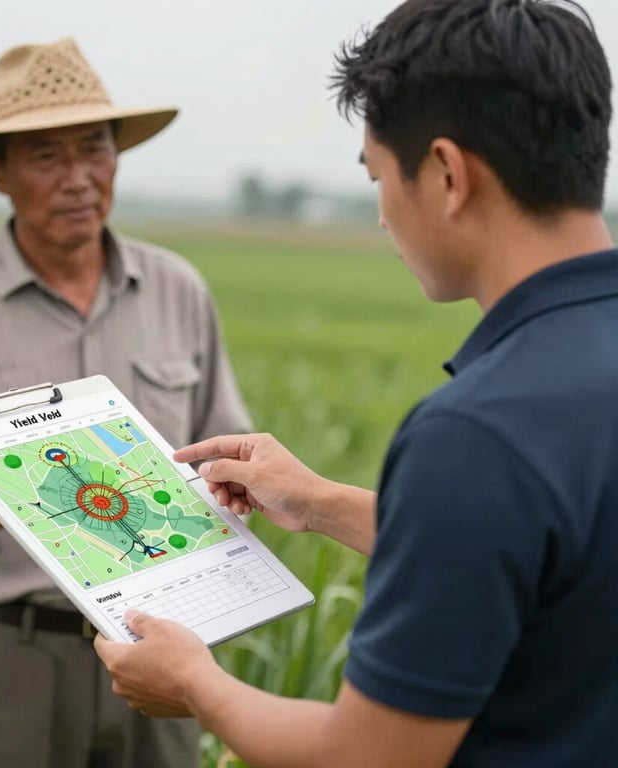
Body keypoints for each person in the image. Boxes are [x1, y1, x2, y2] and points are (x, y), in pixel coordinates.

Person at [95, 1, 618, 766]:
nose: (381, 215)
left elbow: (370, 756)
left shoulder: (478, 435)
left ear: (445, 173)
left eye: (377, 175)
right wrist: (318, 503)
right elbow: (548, 560)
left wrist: (196, 685)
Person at [0, 37, 251, 768]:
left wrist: (233, 488)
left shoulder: (177, 291)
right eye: (45, 156)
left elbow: (224, 453)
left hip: (161, 646)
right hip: (8, 655)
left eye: (94, 150)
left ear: (117, 157)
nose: (78, 179)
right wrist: (37, 492)